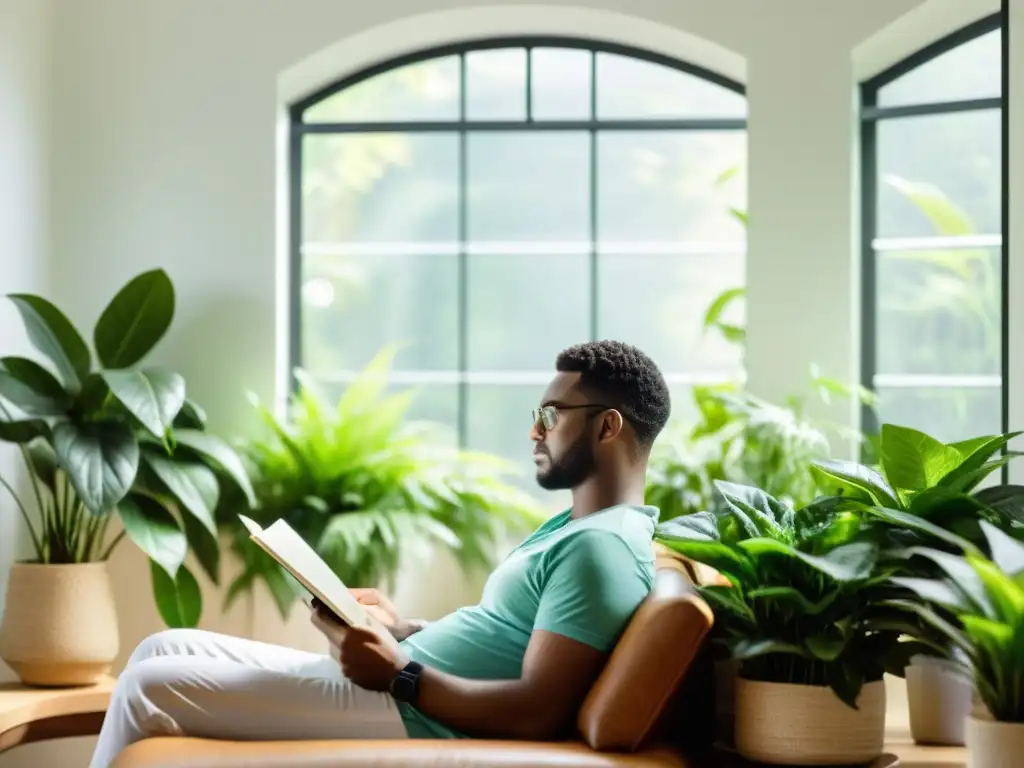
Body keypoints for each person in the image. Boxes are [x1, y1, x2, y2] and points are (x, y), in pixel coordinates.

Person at [89, 340, 672, 768]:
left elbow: (537, 708)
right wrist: (404, 628)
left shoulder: (603, 548)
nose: (534, 433)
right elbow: (514, 637)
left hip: (414, 711)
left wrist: (401, 674)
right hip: (405, 683)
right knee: (160, 646)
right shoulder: (577, 527)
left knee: (150, 686)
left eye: (549, 415)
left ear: (607, 428)